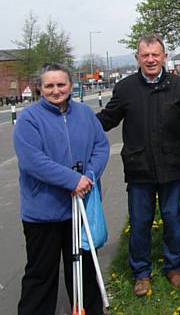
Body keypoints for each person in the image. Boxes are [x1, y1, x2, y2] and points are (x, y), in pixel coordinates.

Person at [97, 34, 180, 296]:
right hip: (139, 169)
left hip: (173, 168)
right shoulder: (125, 89)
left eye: (156, 54)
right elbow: (107, 119)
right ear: (137, 58)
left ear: (164, 56)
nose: (151, 59)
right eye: (145, 55)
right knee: (141, 222)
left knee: (172, 220)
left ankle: (173, 267)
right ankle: (141, 272)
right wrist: (77, 122)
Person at [13, 63, 110, 315]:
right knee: (41, 272)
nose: (56, 90)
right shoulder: (28, 119)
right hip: (43, 211)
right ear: (40, 88)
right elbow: (33, 160)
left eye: (61, 84)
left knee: (84, 269)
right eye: (49, 85)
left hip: (81, 208)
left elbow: (101, 146)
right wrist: (71, 180)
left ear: (70, 85)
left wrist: (88, 176)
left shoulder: (85, 113)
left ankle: (89, 309)